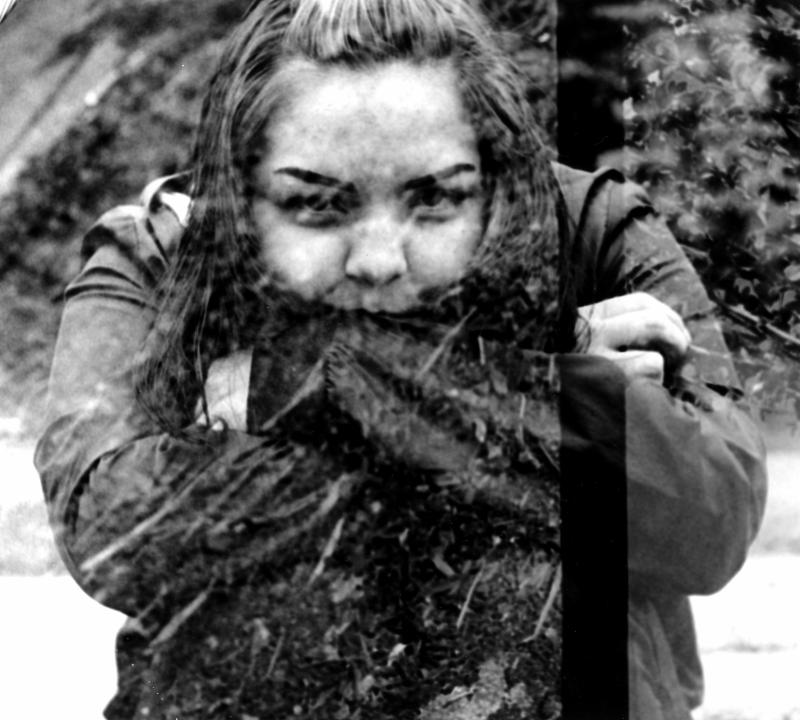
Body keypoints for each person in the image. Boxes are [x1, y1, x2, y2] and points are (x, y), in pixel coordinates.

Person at [34, 1, 767, 718]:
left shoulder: (589, 229)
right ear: (240, 192)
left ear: (494, 176)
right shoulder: (164, 255)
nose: (380, 259)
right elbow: (112, 531)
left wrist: (296, 389)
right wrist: (542, 388)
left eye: (435, 199)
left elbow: (711, 518)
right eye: (318, 204)